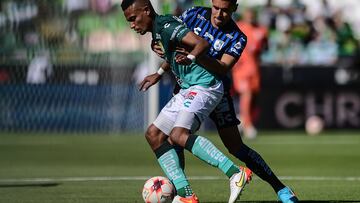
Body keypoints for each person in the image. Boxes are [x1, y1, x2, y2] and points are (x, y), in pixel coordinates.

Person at [142, 0, 299, 202]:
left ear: (234, 8)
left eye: (225, 10)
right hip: (187, 87)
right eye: (216, 8)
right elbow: (175, 44)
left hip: (215, 91)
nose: (219, 14)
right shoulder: (193, 14)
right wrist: (160, 70)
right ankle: (182, 193)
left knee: (236, 147)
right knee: (173, 139)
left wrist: (194, 56)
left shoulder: (237, 37)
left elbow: (222, 68)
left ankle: (281, 189)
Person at [121, 0, 252, 203]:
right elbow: (175, 52)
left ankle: (235, 173)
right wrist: (159, 73)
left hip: (205, 85)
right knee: (154, 135)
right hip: (189, 87)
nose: (132, 24)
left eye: (133, 19)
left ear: (146, 11)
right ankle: (186, 195)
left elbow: (202, 43)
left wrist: (190, 57)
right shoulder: (159, 30)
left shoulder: (166, 26)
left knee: (178, 135)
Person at [232, 8, 268, 139]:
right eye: (248, 14)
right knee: (246, 95)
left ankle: (242, 120)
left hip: (254, 69)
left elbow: (264, 48)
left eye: (252, 14)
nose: (250, 16)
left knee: (254, 98)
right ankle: (247, 126)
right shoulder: (238, 27)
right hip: (241, 69)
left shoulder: (261, 30)